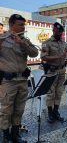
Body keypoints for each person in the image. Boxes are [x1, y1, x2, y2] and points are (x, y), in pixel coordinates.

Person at [0, 14, 38, 143]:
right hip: (8, 82)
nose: (23, 26)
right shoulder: (2, 39)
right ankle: (6, 135)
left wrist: (22, 43)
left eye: (24, 24)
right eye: (20, 24)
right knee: (6, 110)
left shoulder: (24, 40)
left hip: (22, 80)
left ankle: (15, 135)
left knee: (19, 109)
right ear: (11, 25)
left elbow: (34, 53)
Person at [41, 22, 67, 123]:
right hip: (51, 71)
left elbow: (66, 56)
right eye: (57, 31)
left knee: (59, 92)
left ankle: (56, 111)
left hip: (62, 70)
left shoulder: (63, 43)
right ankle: (50, 113)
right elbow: (43, 57)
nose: (59, 34)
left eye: (61, 32)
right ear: (53, 30)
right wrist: (57, 57)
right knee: (51, 93)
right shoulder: (47, 43)